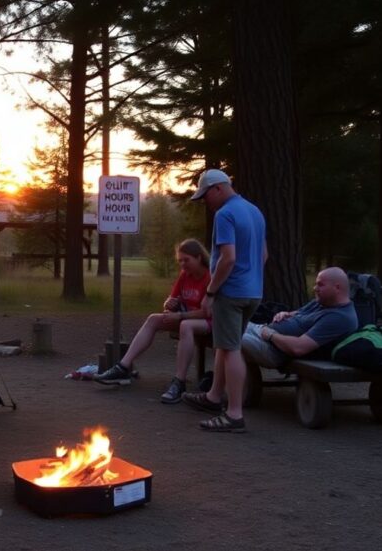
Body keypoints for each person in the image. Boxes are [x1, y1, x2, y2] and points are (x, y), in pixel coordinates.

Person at [181, 169, 266, 433]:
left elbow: (228, 258)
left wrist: (210, 292)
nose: (205, 202)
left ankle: (234, 414)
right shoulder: (254, 211)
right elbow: (263, 255)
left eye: (205, 196)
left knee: (231, 350)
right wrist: (250, 278)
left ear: (218, 188)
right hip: (253, 292)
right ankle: (213, 396)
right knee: (225, 345)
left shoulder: (225, 214)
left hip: (231, 293)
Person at [94, 239, 212, 394]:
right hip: (184, 317)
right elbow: (171, 299)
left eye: (186, 260)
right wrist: (168, 303)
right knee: (153, 319)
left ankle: (179, 381)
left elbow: (207, 312)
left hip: (208, 321)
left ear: (199, 257)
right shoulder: (184, 275)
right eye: (180, 261)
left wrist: (180, 315)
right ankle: (122, 367)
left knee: (185, 325)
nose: (183, 264)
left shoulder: (210, 277)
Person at [242, 267, 358, 368]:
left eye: (320, 284)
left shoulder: (339, 317)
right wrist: (284, 314)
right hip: (263, 332)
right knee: (232, 326)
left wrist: (271, 335)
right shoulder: (323, 302)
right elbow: (298, 314)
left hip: (275, 350)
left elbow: (298, 348)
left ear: (337, 288)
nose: (315, 288)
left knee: (232, 339)